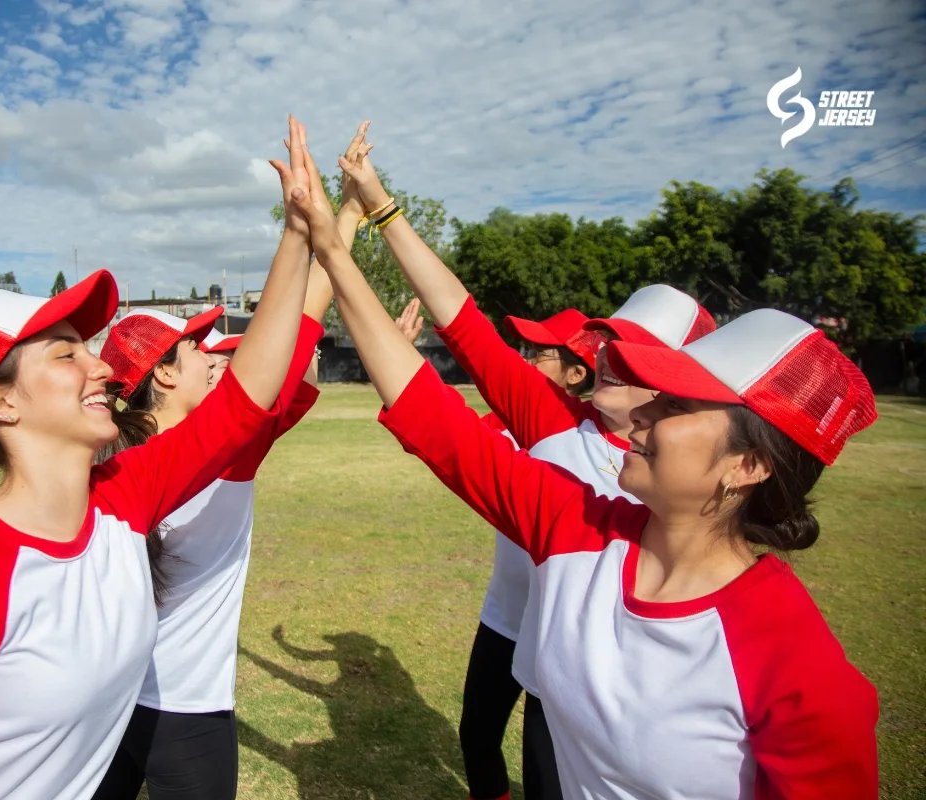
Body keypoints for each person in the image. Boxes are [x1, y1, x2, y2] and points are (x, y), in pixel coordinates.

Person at [289, 127, 880, 798]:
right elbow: (437, 417)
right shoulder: (577, 527)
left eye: (678, 403)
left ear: (747, 466)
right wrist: (336, 251)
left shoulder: (801, 670)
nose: (647, 409)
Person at [0, 118, 314, 800]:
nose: (102, 366)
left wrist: (298, 234)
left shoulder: (123, 496)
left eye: (90, 347)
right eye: (66, 354)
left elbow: (245, 401)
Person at [339, 152, 716, 800]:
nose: (606, 358)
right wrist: (380, 207)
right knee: (491, 747)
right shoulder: (550, 418)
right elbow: (461, 323)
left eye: (628, 356)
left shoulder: (695, 486)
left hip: (629, 691)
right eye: (608, 345)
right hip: (540, 654)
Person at [91, 119, 371, 800]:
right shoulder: (230, 446)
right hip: (185, 713)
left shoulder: (103, 464)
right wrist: (347, 216)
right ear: (161, 377)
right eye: (194, 350)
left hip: (101, 707)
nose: (211, 355)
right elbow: (303, 320)